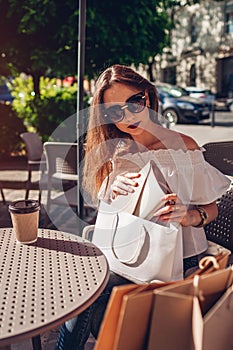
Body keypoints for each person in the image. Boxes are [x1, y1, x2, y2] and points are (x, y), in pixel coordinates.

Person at [55, 64, 230, 350]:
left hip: (183, 255)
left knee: (98, 298)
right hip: (126, 252)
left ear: (147, 96)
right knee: (83, 292)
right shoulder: (113, 148)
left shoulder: (183, 146)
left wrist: (189, 216)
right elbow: (110, 209)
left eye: (134, 102)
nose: (128, 116)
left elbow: (212, 209)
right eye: (114, 111)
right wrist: (107, 189)